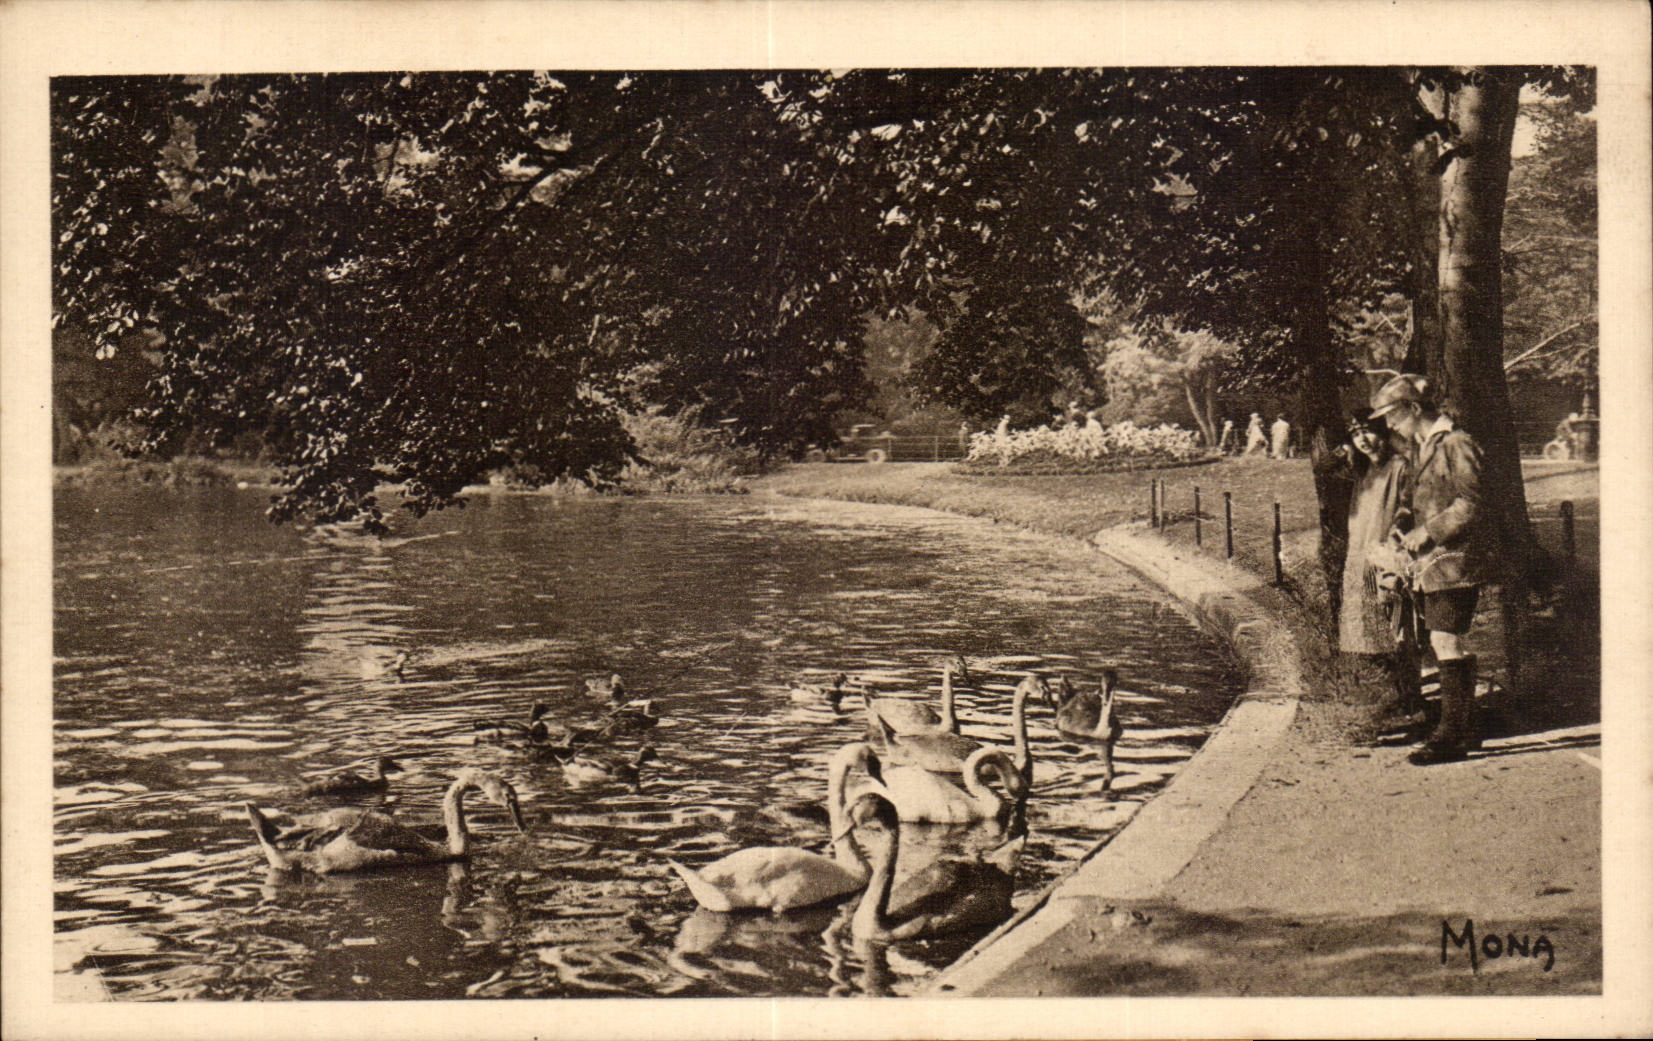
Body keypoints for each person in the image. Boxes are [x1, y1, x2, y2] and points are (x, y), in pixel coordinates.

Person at [1368, 373, 1487, 765]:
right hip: (1431, 565)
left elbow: (1471, 503)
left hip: (1455, 563)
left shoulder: (1456, 443)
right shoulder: (1421, 447)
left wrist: (1428, 533)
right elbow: (1413, 501)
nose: (1388, 424)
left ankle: (1452, 735)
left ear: (1414, 409)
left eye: (1392, 415)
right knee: (1442, 642)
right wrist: (1401, 528)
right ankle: (1463, 730)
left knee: (1446, 641)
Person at [1335, 410, 1421, 718]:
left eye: (1368, 432)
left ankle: (1411, 702)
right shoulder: (1363, 473)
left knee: (1397, 627)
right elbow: (1332, 465)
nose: (1363, 440)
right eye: (1355, 435)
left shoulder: (1400, 468)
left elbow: (1407, 509)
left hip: (1387, 558)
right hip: (1359, 560)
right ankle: (1380, 701)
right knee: (1364, 632)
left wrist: (1392, 547)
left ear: (1383, 433)